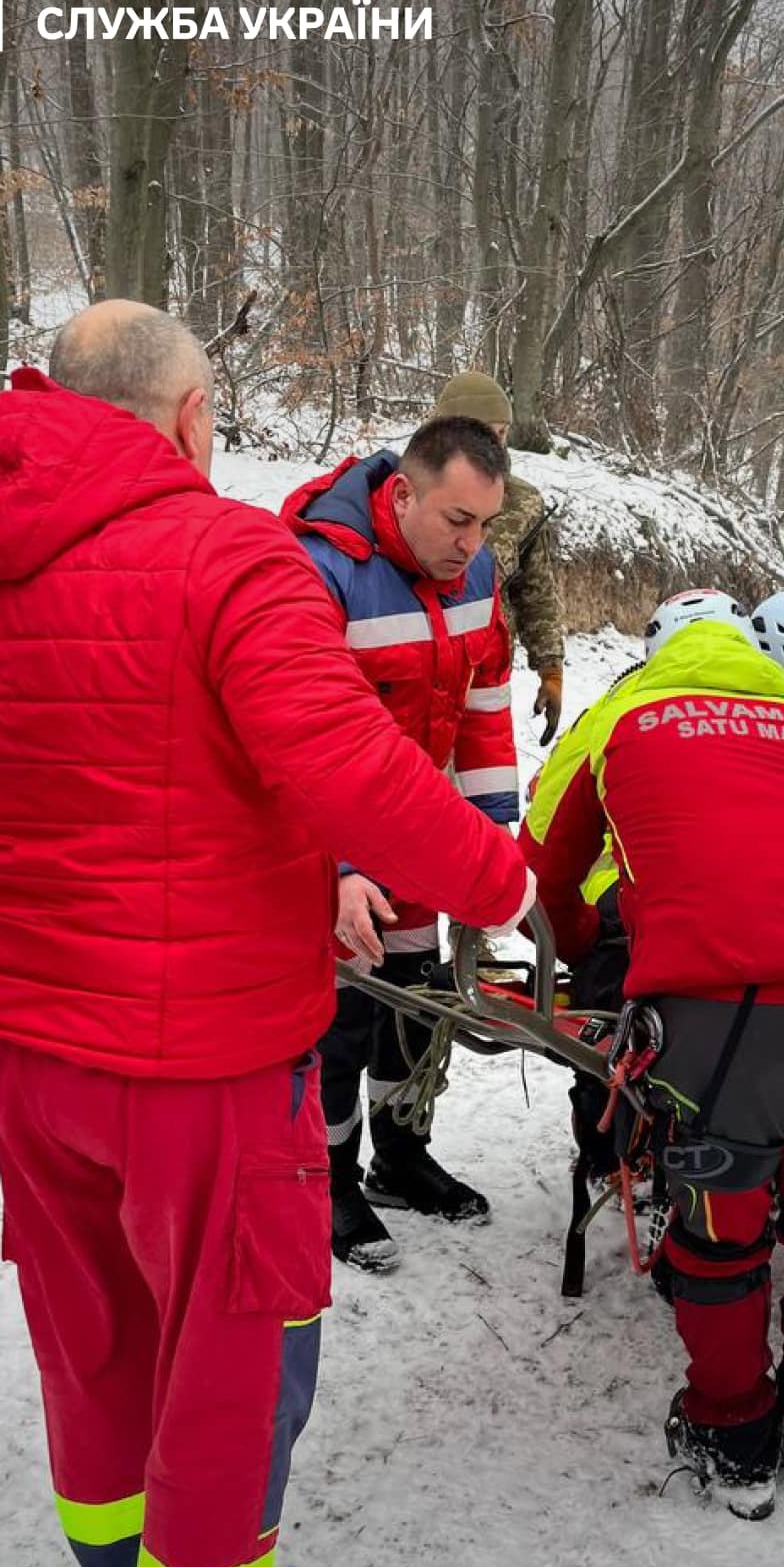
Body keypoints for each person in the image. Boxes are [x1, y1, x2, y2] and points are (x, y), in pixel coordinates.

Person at [0, 301, 533, 1567]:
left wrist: (273, 873)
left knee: (94, 1326)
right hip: (195, 1051)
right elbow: (348, 770)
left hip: (23, 1028)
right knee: (234, 1353)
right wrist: (500, 877)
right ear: (184, 418)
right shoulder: (226, 553)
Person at [522, 589, 784, 1518]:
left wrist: (599, 945)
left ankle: (732, 1431)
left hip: (726, 994)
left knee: (721, 1228)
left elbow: (543, 875)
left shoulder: (621, 715)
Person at [283, 416, 522, 1271]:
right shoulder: (324, 570)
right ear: (404, 493)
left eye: (486, 524)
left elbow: (486, 713)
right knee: (341, 1018)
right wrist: (345, 867)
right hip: (333, 838)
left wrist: (493, 848)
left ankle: (402, 1152)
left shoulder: (480, 576)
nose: (472, 543)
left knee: (420, 1004)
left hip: (421, 827)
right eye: (458, 520)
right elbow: (303, 738)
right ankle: (330, 1177)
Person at [435, 371, 567, 744]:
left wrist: (551, 670)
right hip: (419, 675)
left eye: (502, 434)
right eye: (484, 434)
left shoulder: (522, 502)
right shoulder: (413, 491)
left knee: (483, 789)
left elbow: (535, 591)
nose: (496, 446)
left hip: (487, 679)